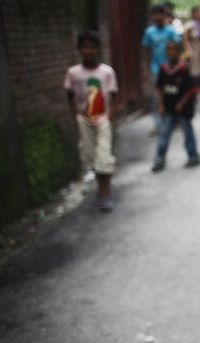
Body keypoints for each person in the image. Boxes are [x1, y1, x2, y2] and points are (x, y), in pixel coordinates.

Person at [64, 31, 118, 213]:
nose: (89, 51)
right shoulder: (73, 73)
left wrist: (110, 116)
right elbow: (70, 95)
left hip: (102, 119)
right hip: (84, 120)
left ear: (98, 49)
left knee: (104, 156)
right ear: (80, 49)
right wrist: (76, 117)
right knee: (91, 157)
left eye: (92, 47)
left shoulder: (107, 72)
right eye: (85, 47)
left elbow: (112, 95)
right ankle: (100, 191)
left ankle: (106, 193)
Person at [152, 40, 200, 172]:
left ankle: (193, 156)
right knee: (164, 134)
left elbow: (191, 89)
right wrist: (161, 105)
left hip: (183, 109)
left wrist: (182, 103)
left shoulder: (184, 68)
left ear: (178, 52)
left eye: (173, 49)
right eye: (168, 50)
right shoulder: (163, 69)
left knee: (187, 132)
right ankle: (159, 159)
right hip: (169, 107)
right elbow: (160, 88)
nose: (171, 52)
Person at [142, 4, 180, 133]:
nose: (158, 16)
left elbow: (177, 49)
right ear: (151, 16)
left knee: (172, 95)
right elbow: (147, 52)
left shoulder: (171, 31)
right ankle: (158, 125)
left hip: (171, 70)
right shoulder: (149, 32)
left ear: (165, 15)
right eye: (155, 14)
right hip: (155, 70)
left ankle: (174, 121)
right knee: (156, 98)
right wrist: (146, 70)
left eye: (161, 13)